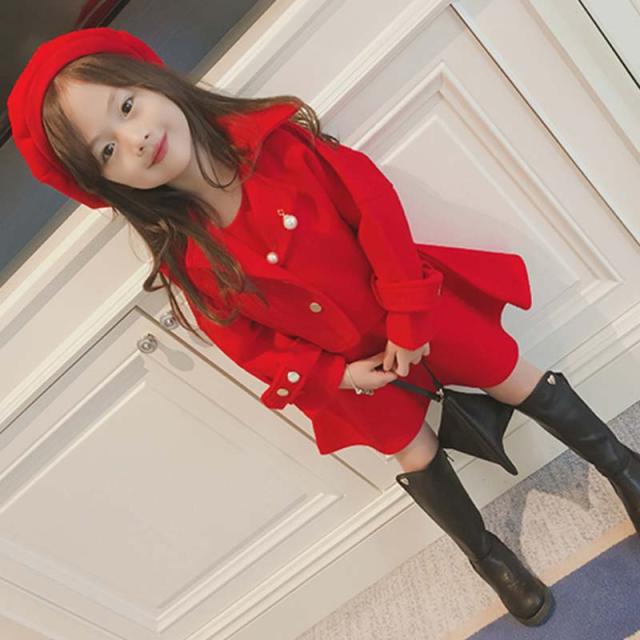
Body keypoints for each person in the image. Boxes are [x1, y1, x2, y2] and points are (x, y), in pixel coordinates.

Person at [8, 26, 640, 628]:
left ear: (156, 81)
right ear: (106, 184)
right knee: (413, 450)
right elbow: (245, 344)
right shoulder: (188, 255)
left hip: (414, 306)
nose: (136, 139)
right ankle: (486, 556)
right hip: (356, 370)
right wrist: (337, 376)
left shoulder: (279, 147)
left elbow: (374, 207)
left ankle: (621, 466)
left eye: (127, 106)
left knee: (511, 373)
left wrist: (407, 315)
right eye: (107, 151)